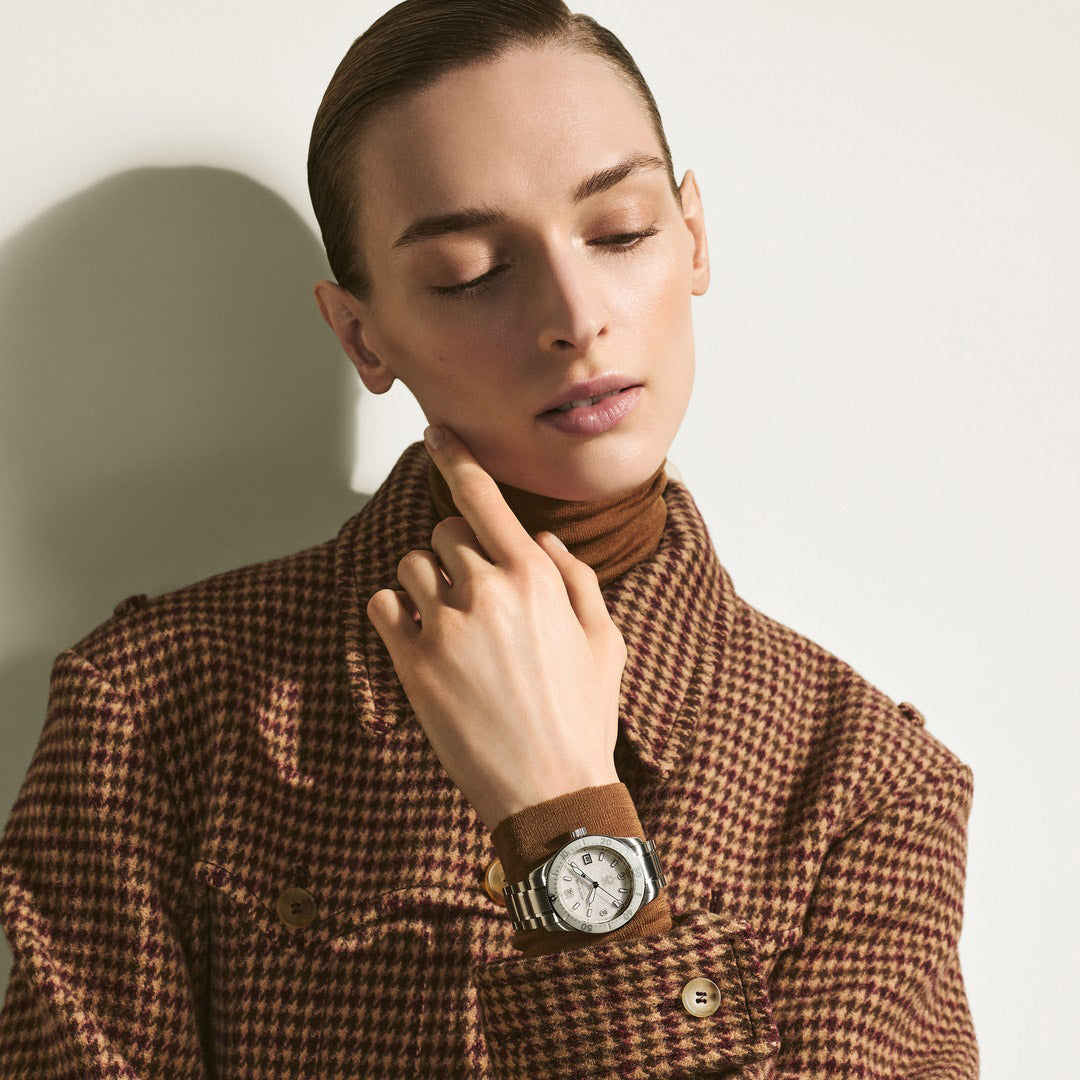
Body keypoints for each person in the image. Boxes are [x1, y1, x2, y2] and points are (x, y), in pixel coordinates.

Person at [0, 1, 978, 1076]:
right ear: (361, 334)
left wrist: (564, 820)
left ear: (694, 237)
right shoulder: (151, 714)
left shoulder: (862, 789)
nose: (575, 312)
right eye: (470, 271)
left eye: (620, 232)